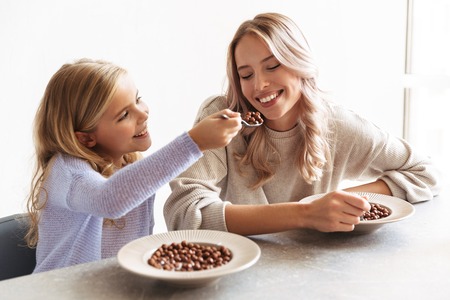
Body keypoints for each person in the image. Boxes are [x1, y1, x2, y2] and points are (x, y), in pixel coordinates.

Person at [164, 12, 441, 236]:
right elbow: (183, 213)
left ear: (298, 63)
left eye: (272, 67)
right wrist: (305, 213)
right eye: (246, 75)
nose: (259, 85)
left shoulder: (337, 125)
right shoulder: (222, 119)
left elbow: (425, 173)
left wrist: (338, 201)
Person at [25, 58, 242, 273]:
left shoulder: (131, 169)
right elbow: (108, 199)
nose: (143, 113)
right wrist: (194, 142)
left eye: (137, 100)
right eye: (124, 115)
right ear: (86, 138)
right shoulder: (67, 173)